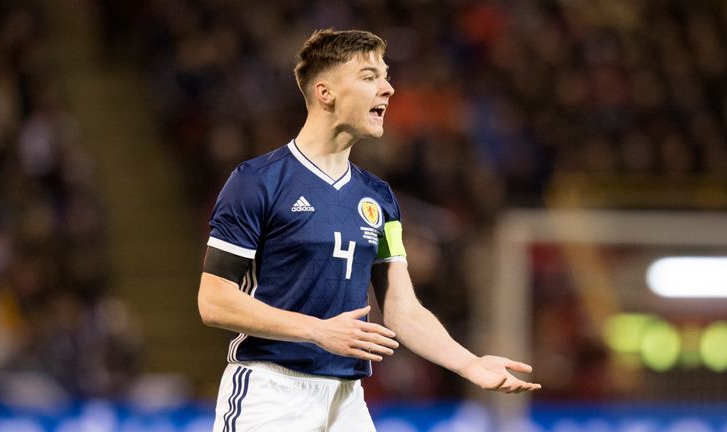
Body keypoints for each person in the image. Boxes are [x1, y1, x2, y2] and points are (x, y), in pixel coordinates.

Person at [198, 28, 540, 432]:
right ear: (325, 93)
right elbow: (215, 301)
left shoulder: (378, 198)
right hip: (271, 393)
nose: (389, 89)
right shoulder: (257, 181)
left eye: (386, 75)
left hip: (347, 401)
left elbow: (401, 308)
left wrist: (469, 363)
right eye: (369, 76)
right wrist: (317, 331)